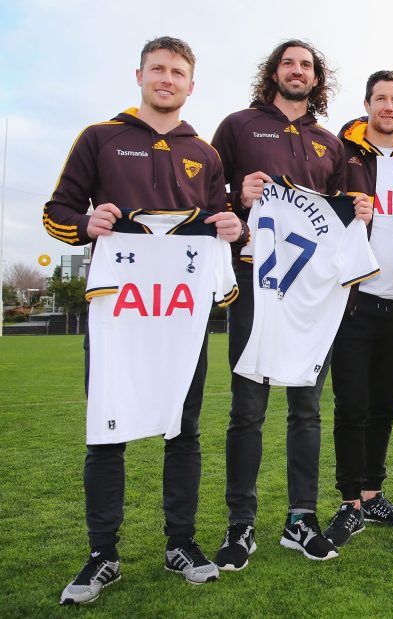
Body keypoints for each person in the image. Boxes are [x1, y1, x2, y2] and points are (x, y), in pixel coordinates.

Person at [44, 37, 246, 604]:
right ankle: (101, 554)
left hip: (181, 319)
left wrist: (233, 229)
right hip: (118, 314)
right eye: (158, 69)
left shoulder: (205, 153)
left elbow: (219, 222)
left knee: (184, 432)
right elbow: (56, 212)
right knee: (107, 434)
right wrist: (88, 223)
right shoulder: (99, 138)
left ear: (191, 84)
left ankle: (180, 542)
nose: (167, 78)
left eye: (178, 71)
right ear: (139, 75)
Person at [211, 39, 371, 569]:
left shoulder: (330, 143)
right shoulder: (237, 126)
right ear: (273, 72)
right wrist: (239, 196)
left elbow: (346, 215)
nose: (297, 71)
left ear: (316, 77)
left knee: (305, 408)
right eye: (288, 63)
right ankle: (242, 523)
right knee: (248, 408)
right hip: (258, 282)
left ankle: (300, 518)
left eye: (306, 65)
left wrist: (360, 211)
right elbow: (210, 200)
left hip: (312, 296)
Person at [322, 70, 393, 546]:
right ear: (366, 104)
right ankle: (349, 503)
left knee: (386, 403)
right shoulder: (340, 155)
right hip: (355, 300)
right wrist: (345, 207)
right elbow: (315, 206)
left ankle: (372, 492)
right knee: (352, 404)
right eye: (380, 98)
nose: (388, 105)